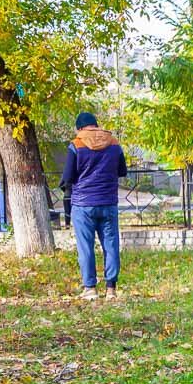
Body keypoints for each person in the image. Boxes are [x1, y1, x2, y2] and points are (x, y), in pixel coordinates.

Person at [60, 111, 127, 300]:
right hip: (108, 203)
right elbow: (122, 171)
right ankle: (111, 289)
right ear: (96, 125)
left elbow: (68, 177)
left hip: (83, 205)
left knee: (86, 247)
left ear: (80, 128)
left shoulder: (76, 144)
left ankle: (90, 289)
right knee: (111, 245)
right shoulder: (114, 144)